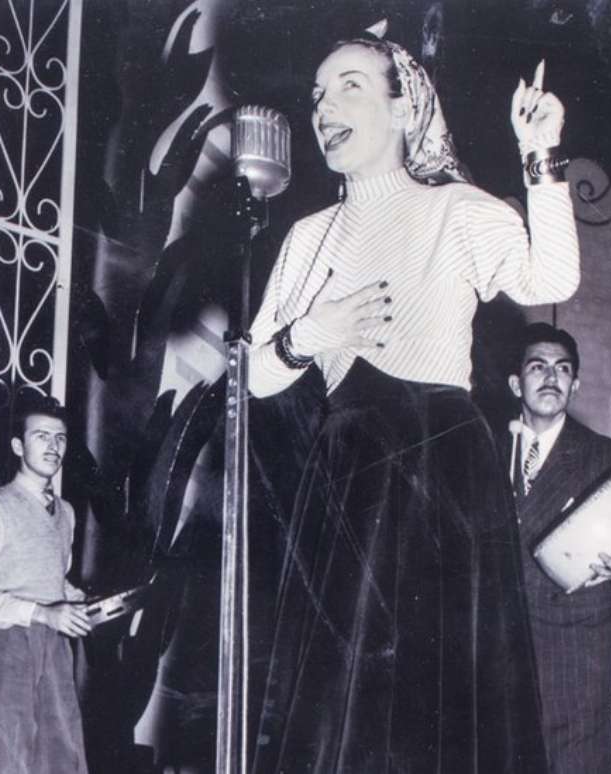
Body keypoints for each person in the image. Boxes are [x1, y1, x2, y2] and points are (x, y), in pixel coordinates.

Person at [247, 23, 579, 773]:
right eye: (318, 95)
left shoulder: (454, 210)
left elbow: (550, 281)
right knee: (343, 709)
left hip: (442, 474)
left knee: (444, 711)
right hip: (346, 476)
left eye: (350, 86)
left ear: (404, 110)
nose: (326, 106)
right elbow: (258, 374)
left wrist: (540, 156)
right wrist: (308, 334)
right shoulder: (307, 237)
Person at [505, 322, 611, 774]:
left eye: (562, 369)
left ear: (576, 384)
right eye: (538, 367)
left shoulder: (607, 459)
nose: (551, 377)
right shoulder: (482, 452)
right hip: (497, 646)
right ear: (516, 383)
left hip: (574, 652)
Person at [0, 397, 90, 774]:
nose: (53, 447)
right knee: (1, 762)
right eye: (41, 436)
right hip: (3, 647)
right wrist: (42, 613)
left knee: (63, 759)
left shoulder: (65, 513)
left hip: (53, 649)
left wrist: (78, 600)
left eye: (60, 438)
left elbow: (50, 577)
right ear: (18, 446)